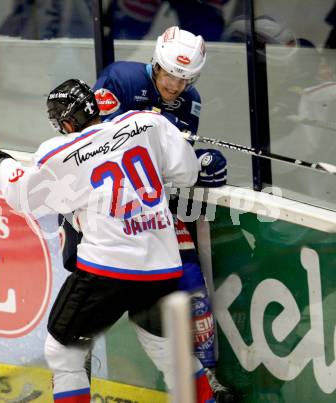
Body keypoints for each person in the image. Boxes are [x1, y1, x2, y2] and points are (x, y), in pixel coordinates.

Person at [0, 78, 226, 402]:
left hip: (108, 270)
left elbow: (23, 195)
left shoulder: (61, 151)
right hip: (162, 266)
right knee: (167, 351)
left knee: (62, 352)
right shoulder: (147, 123)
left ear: (64, 122)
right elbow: (187, 173)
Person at [91, 26, 234, 402]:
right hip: (102, 213)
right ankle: (78, 380)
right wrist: (167, 147)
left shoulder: (191, 101)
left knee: (193, 290)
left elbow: (174, 167)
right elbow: (97, 147)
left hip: (155, 211)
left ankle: (206, 380)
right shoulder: (119, 78)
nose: (175, 86)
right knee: (86, 305)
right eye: (170, 74)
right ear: (155, 62)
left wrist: (199, 164)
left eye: (185, 78)